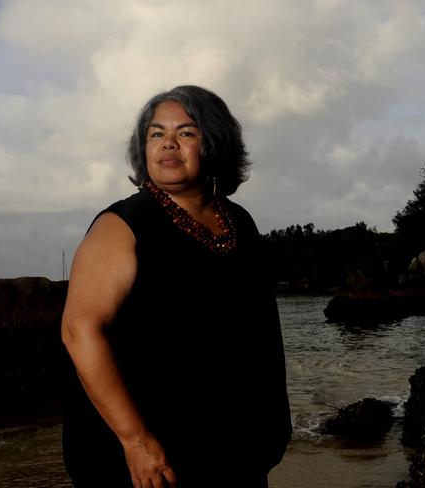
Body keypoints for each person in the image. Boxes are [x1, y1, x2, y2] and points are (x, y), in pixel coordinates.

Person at [61, 85, 292, 488]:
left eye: (186, 132)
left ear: (214, 142)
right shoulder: (121, 226)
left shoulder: (240, 222)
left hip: (231, 454)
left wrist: (273, 429)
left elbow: (258, 334)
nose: (168, 143)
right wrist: (135, 441)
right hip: (150, 461)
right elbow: (79, 330)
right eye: (156, 133)